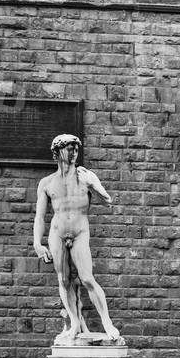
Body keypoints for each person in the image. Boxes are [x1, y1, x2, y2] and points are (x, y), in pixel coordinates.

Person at [33, 134, 121, 343]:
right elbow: (39, 216)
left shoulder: (85, 176)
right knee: (64, 280)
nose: (74, 153)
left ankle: (107, 322)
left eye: (76, 149)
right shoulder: (46, 183)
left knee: (87, 278)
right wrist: (37, 243)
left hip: (80, 232)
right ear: (57, 152)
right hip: (57, 234)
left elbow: (108, 201)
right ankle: (74, 323)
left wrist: (94, 185)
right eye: (69, 149)